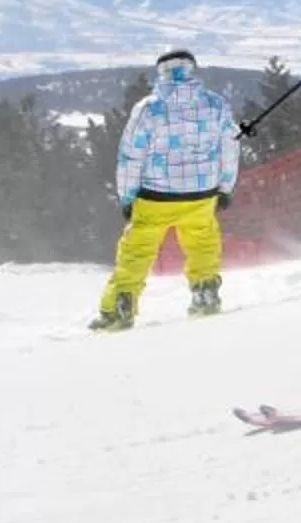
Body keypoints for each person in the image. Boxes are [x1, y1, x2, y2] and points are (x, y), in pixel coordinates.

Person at [95, 48, 241, 330]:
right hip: (202, 193)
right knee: (203, 244)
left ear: (160, 72)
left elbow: (130, 157)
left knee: (137, 252)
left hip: (155, 196)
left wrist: (127, 196)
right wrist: (225, 187)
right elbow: (230, 145)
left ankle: (120, 305)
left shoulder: (148, 108)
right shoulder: (215, 104)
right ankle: (205, 292)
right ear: (192, 69)